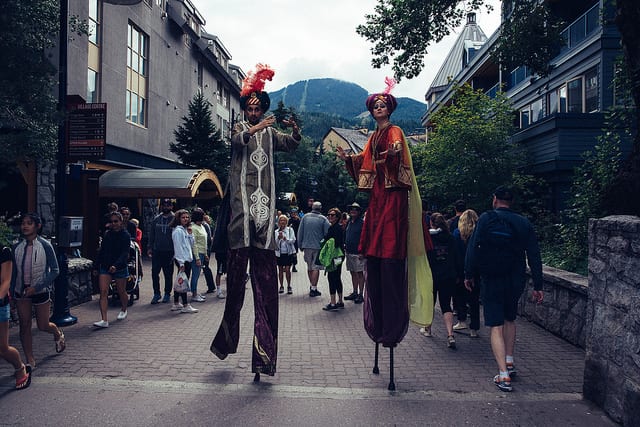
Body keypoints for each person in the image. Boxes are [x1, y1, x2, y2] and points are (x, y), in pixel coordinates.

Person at [336, 78, 433, 390]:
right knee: (375, 234)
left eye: (382, 105)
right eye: (375, 105)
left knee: (388, 238)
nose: (378, 108)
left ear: (388, 109)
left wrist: (389, 157)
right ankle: (380, 325)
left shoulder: (395, 132)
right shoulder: (374, 135)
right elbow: (366, 162)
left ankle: (391, 326)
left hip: (392, 195)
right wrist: (349, 160)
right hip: (378, 195)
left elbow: (399, 164)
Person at [210, 64, 300, 382]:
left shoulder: (271, 134)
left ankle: (263, 358)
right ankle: (225, 340)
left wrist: (296, 130)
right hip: (240, 224)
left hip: (263, 228)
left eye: (257, 108)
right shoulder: (239, 128)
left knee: (266, 293)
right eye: (250, 108)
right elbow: (238, 141)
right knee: (235, 290)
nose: (253, 111)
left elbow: (291, 144)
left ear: (262, 107)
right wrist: (260, 125)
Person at [464, 186, 544, 392]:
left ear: (494, 199)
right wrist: (538, 284)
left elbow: (473, 247)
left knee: (495, 325)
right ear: (511, 202)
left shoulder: (486, 218)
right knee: (510, 318)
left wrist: (469, 274)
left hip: (492, 278)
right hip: (515, 278)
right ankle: (509, 360)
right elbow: (534, 254)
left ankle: (503, 375)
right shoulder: (523, 222)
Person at [11, 213, 64, 365]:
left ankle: (57, 333)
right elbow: (14, 273)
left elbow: (55, 270)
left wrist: (37, 287)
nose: (25, 226)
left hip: (40, 291)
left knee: (43, 325)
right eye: (23, 223)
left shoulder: (45, 245)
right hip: (21, 292)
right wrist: (13, 293)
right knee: (24, 325)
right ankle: (29, 358)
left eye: (29, 223)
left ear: (37, 226)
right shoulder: (17, 247)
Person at [425, 213, 461, 349]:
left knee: (431, 302)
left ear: (432, 224)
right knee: (446, 304)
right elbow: (456, 257)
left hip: (432, 275)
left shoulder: (428, 239)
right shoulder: (451, 238)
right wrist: (457, 274)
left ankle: (428, 328)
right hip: (448, 275)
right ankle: (450, 334)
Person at [1, 244, 32, 390]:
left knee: (2, 348)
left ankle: (20, 368)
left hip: (0, 304)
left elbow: (6, 281)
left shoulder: (3, 251)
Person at [94, 211, 131, 328]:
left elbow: (125, 253)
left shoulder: (125, 235)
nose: (113, 223)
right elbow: (102, 250)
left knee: (121, 291)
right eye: (111, 221)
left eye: (116, 221)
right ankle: (104, 319)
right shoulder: (107, 234)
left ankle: (124, 309)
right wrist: (96, 265)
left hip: (119, 267)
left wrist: (117, 265)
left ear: (120, 222)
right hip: (105, 266)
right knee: (103, 292)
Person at [453, 209, 480, 337]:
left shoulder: (457, 234)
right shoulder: (478, 234)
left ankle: (461, 320)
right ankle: (474, 328)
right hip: (475, 271)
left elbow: (455, 254)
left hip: (460, 270)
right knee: (474, 300)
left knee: (460, 297)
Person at [297, 201, 329, 297]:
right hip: (318, 247)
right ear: (320, 208)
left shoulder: (305, 217)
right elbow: (327, 233)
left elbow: (300, 231)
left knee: (309, 266)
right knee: (316, 267)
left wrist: (300, 245)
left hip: (306, 245)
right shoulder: (323, 219)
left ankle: (311, 286)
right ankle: (314, 288)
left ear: (312, 207)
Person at [148, 199, 175, 304]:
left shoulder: (174, 219)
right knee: (155, 272)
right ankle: (156, 293)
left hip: (169, 251)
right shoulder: (156, 219)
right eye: (164, 205)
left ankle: (167, 293)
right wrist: (149, 247)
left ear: (171, 207)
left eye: (168, 205)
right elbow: (152, 234)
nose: (166, 207)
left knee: (168, 274)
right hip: (157, 250)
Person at [171, 209, 198, 314]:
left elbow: (190, 244)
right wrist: (181, 263)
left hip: (187, 259)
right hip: (182, 260)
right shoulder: (178, 231)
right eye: (183, 217)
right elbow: (178, 248)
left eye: (187, 217)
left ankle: (176, 303)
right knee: (183, 283)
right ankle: (186, 305)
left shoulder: (185, 229)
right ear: (178, 219)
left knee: (180, 281)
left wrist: (190, 234)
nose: (186, 219)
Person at [321, 207, 345, 311]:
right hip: (340, 256)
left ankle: (333, 302)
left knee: (332, 277)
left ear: (337, 217)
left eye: (333, 215)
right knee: (337, 277)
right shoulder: (338, 227)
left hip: (333, 257)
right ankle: (340, 301)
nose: (330, 216)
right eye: (329, 214)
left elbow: (333, 243)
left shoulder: (334, 228)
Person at [344, 202, 365, 304]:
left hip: (358, 253)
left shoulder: (362, 223)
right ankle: (355, 292)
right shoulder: (349, 222)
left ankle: (361, 294)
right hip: (349, 251)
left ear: (359, 211)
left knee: (360, 273)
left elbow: (365, 238)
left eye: (355, 209)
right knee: (352, 272)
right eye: (352, 209)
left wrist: (363, 251)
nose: (353, 211)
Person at [189, 209, 208, 303]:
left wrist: (205, 254)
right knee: (195, 275)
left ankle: (195, 291)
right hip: (197, 253)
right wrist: (197, 258)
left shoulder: (202, 226)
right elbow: (194, 244)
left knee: (197, 274)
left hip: (202, 253)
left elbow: (204, 241)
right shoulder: (193, 228)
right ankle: (194, 294)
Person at [274, 215, 296, 294]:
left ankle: (289, 285)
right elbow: (274, 244)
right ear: (278, 222)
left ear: (286, 222)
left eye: (284, 220)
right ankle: (281, 286)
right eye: (281, 220)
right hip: (279, 254)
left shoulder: (290, 230)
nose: (282, 222)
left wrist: (285, 239)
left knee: (287, 270)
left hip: (288, 253)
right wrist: (278, 239)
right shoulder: (276, 232)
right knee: (280, 270)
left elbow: (293, 240)